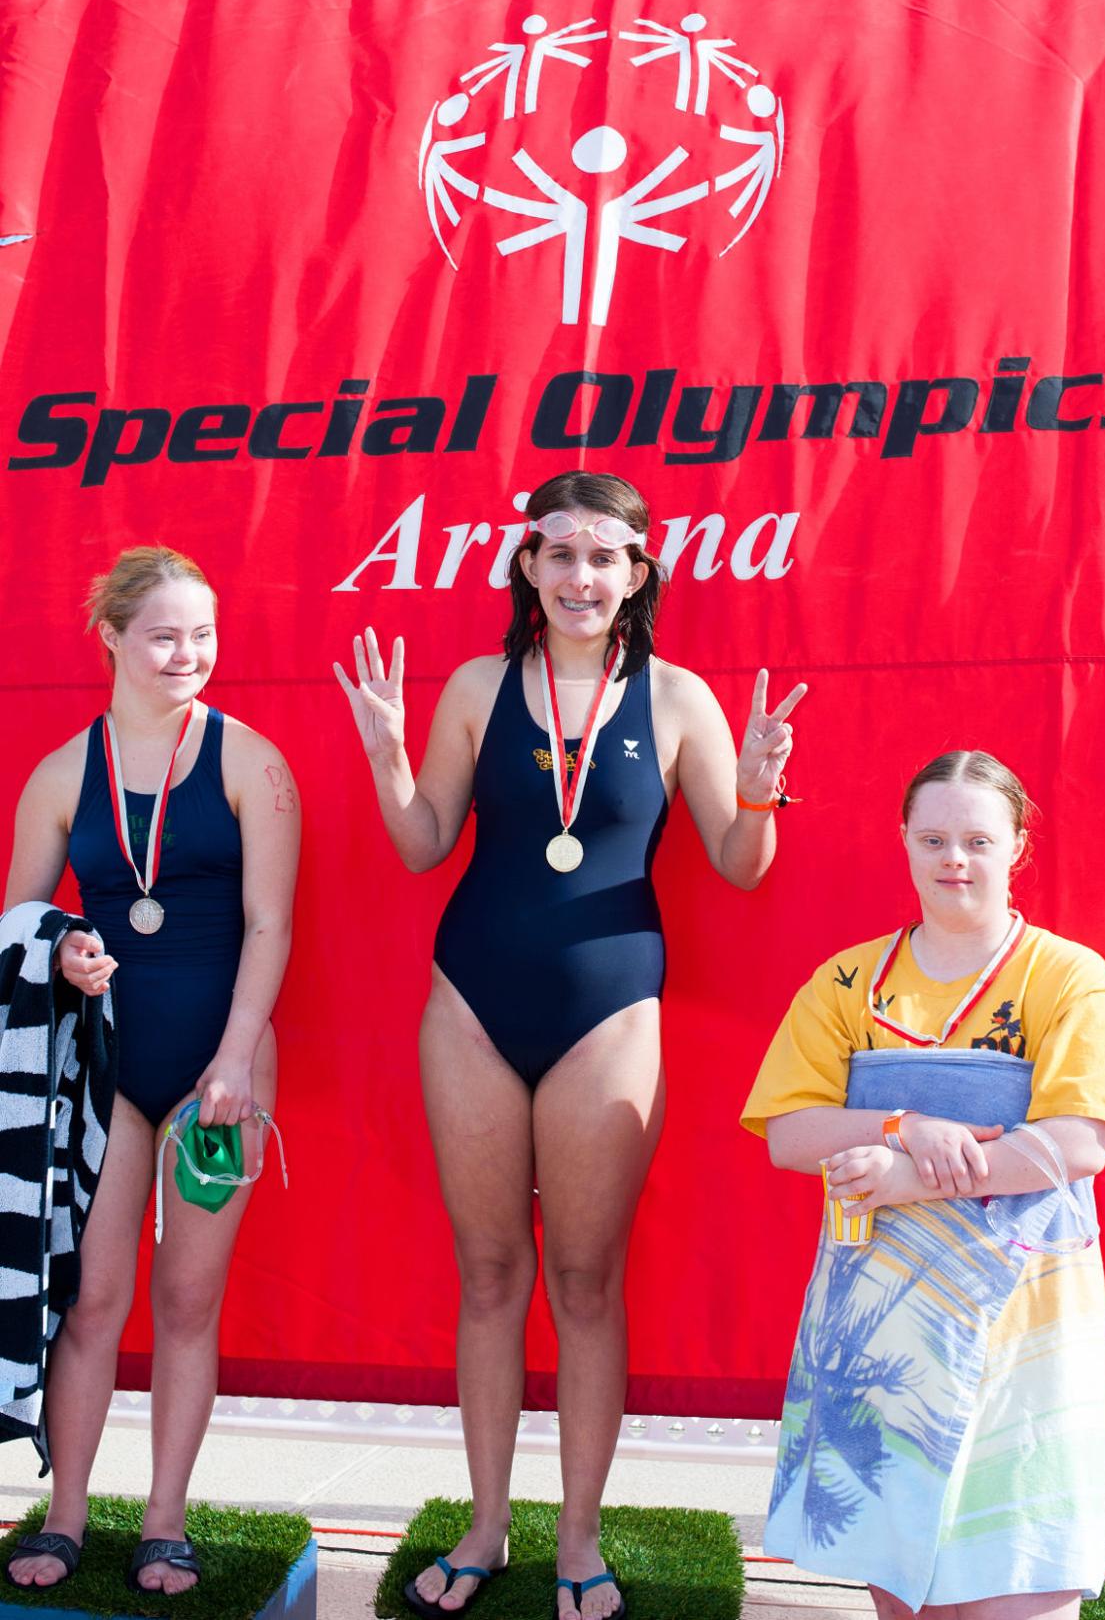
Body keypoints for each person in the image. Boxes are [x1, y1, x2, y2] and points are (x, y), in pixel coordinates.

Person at [335, 470, 806, 1620]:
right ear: (528, 567)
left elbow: (741, 867)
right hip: (472, 1002)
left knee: (585, 1279)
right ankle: (488, 1522)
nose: (581, 578)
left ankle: (580, 1536)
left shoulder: (681, 697)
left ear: (638, 572)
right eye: (560, 556)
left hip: (610, 1013)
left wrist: (755, 796)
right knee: (490, 1272)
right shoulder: (475, 685)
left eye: (605, 559)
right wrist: (389, 754)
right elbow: (421, 844)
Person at [741, 749, 1105, 1620]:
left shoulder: (1068, 976)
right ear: (903, 842)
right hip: (884, 1332)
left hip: (1027, 1325)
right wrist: (900, 1126)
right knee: (905, 1595)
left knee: (1019, 1574)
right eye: (933, 838)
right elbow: (787, 1130)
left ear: (1019, 846)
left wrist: (904, 1179)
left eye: (976, 838)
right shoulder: (848, 982)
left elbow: (1080, 1141)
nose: (954, 858)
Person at [3, 547, 300, 1597]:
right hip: (105, 1063)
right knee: (92, 1298)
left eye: (204, 634)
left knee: (188, 1298)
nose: (189, 654)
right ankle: (67, 1510)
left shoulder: (251, 762)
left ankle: (164, 1519)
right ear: (114, 640)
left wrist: (233, 1057)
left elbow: (270, 924)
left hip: (220, 1065)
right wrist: (63, 950)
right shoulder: (58, 773)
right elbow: (16, 929)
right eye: (166, 634)